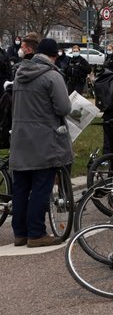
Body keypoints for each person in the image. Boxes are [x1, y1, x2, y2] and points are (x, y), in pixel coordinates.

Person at [9, 37, 73, 247]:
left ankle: (20, 233)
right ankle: (36, 233)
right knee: (40, 187)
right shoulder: (52, 76)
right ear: (53, 56)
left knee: (20, 188)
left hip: (20, 138)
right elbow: (63, 108)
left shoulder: (19, 73)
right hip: (44, 139)